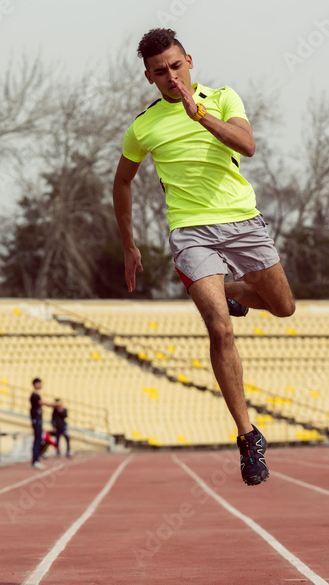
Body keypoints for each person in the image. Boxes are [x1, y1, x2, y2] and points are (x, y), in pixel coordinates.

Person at [112, 28, 296, 486]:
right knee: (218, 325)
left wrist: (200, 116)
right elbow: (122, 182)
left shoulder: (224, 97)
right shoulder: (144, 126)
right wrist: (129, 244)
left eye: (176, 66)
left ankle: (229, 292)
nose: (171, 77)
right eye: (160, 72)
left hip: (243, 222)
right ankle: (248, 435)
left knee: (283, 307)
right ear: (149, 77)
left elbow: (247, 145)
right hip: (191, 232)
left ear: (189, 61)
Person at [29, 378, 57, 469]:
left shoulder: (37, 395)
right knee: (37, 440)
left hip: (38, 420)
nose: (41, 385)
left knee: (39, 440)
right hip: (36, 420)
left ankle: (36, 460)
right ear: (36, 384)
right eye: (40, 383)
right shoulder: (34, 396)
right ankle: (35, 461)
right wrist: (55, 404)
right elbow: (44, 403)